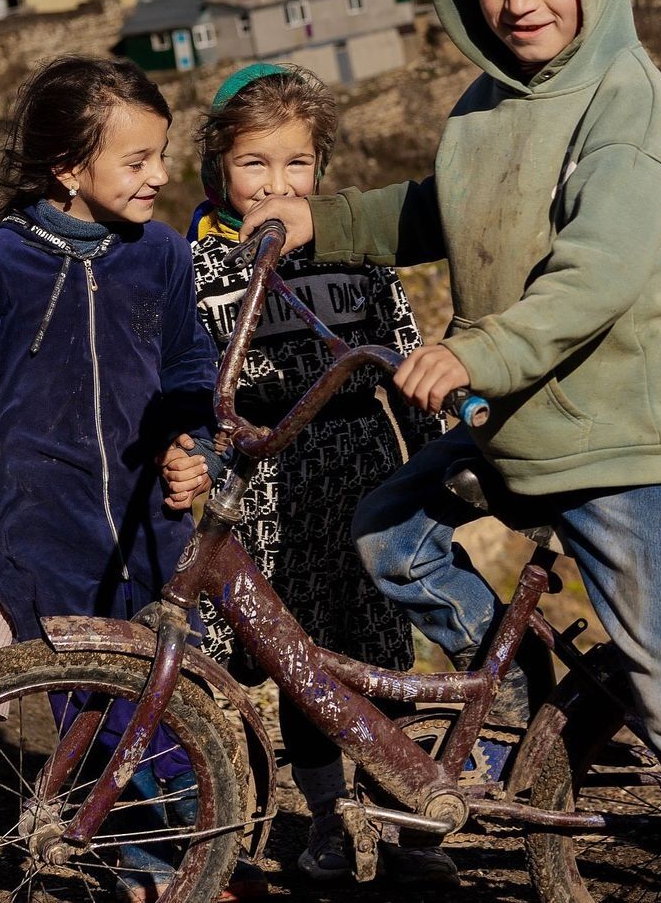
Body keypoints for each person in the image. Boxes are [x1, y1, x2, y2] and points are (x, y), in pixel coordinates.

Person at [238, 0, 661, 901]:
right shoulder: (488, 105)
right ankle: (547, 696)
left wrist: (472, 349)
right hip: (519, 416)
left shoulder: (627, 110)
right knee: (386, 533)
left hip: (631, 444)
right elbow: (435, 206)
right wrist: (324, 220)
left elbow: (593, 276)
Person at [0, 56, 258, 902]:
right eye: (137, 161)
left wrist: (192, 441)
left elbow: (191, 366)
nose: (161, 175)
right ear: (68, 169)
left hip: (151, 512)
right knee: (89, 695)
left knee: (170, 681)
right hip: (40, 519)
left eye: (161, 154)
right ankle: (145, 862)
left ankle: (194, 843)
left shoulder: (161, 255)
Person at [167, 62, 450, 886]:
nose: (276, 184)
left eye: (296, 163)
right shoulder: (196, 268)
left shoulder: (357, 255)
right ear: (217, 166)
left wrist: (441, 458)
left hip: (373, 482)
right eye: (255, 163)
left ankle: (406, 819)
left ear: (321, 169)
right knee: (301, 666)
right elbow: (190, 389)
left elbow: (405, 360)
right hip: (268, 496)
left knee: (382, 654)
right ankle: (329, 816)